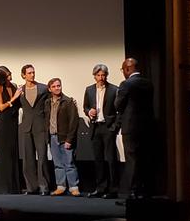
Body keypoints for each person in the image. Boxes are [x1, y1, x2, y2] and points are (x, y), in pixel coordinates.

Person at [115, 58, 154, 200]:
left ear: (127, 69)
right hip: (147, 126)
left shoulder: (126, 84)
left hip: (130, 127)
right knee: (144, 158)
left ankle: (132, 192)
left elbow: (118, 105)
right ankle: (143, 191)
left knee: (132, 159)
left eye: (123, 70)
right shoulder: (148, 84)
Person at [84, 64, 120, 198]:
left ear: (106, 75)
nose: (101, 78)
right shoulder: (89, 90)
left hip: (108, 127)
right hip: (95, 127)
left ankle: (113, 189)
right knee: (98, 160)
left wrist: (114, 127)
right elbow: (85, 107)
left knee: (111, 160)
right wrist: (89, 112)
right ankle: (100, 188)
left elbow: (119, 110)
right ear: (94, 76)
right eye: (98, 75)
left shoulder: (114, 89)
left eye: (103, 75)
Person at [45, 78, 80, 196]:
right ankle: (61, 186)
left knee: (69, 163)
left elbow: (74, 122)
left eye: (59, 86)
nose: (57, 88)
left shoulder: (68, 101)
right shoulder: (47, 102)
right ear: (49, 89)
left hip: (65, 138)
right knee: (58, 164)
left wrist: (69, 139)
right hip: (53, 136)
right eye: (54, 86)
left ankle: (73, 187)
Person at [18, 64, 50, 195]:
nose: (32, 75)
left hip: (40, 125)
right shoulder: (20, 90)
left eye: (33, 72)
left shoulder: (42, 88)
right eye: (29, 73)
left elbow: (52, 100)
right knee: (28, 157)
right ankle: (31, 187)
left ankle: (44, 186)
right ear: (24, 75)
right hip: (26, 126)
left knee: (42, 157)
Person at [0, 66, 23, 194]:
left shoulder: (14, 85)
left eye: (10, 73)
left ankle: (14, 186)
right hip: (5, 121)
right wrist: (14, 98)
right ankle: (4, 186)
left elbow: (19, 103)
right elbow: (1, 107)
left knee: (13, 150)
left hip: (13, 120)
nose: (10, 76)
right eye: (7, 75)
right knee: (5, 151)